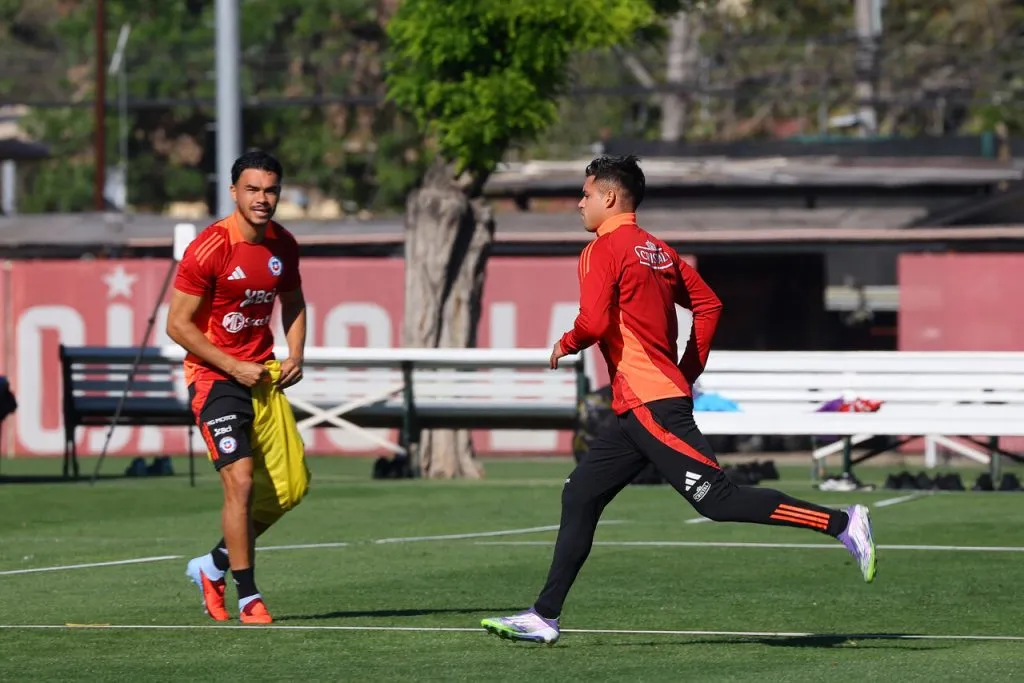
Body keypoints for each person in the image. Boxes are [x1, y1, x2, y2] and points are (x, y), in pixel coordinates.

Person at [481, 154, 876, 645]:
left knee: (718, 500)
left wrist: (566, 342)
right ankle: (545, 616)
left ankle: (842, 521)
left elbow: (596, 322)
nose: (578, 203)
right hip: (636, 407)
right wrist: (687, 370)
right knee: (579, 494)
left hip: (650, 405)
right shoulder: (658, 250)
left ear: (609, 197)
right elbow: (709, 304)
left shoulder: (601, 249)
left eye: (584, 194)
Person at [167, 149, 310, 625]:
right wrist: (232, 364)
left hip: (262, 376)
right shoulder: (210, 247)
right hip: (215, 379)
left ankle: (213, 565)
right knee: (241, 482)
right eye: (252, 189)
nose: (262, 198)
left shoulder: (283, 245)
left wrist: (296, 353)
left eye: (270, 190)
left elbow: (293, 301)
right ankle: (248, 596)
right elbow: (178, 326)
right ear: (234, 192)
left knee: (291, 489)